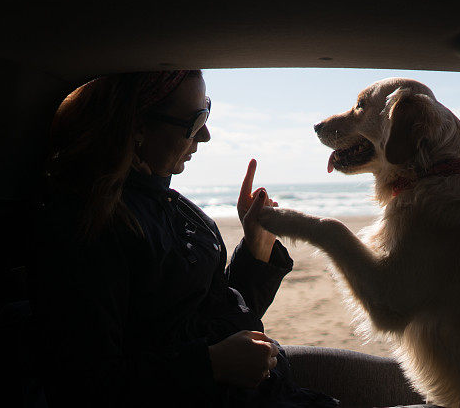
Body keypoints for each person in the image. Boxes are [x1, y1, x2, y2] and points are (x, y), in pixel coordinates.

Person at [32, 69, 425, 408]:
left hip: (267, 386)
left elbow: (213, 314)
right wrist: (210, 365)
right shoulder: (95, 227)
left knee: (431, 387)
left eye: (208, 111)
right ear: (136, 127)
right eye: (193, 120)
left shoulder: (168, 203)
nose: (205, 134)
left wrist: (256, 249)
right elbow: (83, 388)